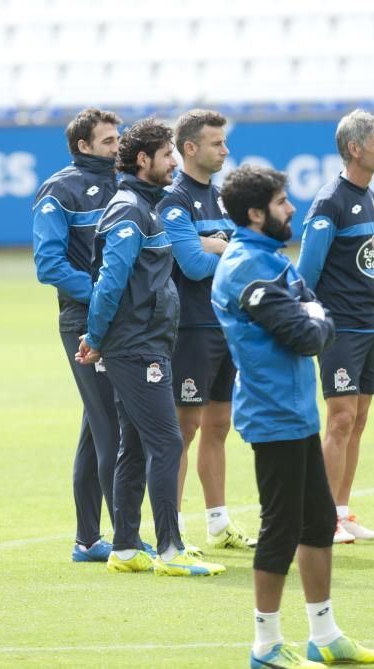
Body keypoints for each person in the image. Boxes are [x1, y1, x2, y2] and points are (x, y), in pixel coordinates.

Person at [212, 165, 374, 669]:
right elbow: (308, 334)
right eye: (284, 202)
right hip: (271, 416)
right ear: (256, 213)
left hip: (296, 412)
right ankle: (265, 645)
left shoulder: (272, 261)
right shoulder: (247, 267)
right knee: (281, 528)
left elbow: (316, 313)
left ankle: (324, 635)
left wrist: (314, 315)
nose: (292, 209)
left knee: (316, 523)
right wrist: (313, 316)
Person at [75, 118, 224, 577]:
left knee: (136, 445)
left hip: (147, 341)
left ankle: (123, 547)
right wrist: (96, 338)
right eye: (167, 156)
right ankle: (169, 549)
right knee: (167, 441)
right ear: (144, 160)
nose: (175, 163)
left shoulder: (146, 206)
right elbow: (110, 282)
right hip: (136, 346)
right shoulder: (129, 210)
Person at [157, 109, 255, 554]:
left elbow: (244, 259)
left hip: (225, 324)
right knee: (184, 426)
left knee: (219, 423)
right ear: (190, 148)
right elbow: (192, 265)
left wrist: (218, 247)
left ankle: (218, 523)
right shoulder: (173, 200)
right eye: (217, 143)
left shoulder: (222, 199)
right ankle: (171, 529)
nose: (225, 150)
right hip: (191, 327)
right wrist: (220, 250)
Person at [32, 107, 122, 563]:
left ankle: (88, 540)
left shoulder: (124, 183)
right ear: (83, 146)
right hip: (85, 320)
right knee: (112, 426)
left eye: (118, 139)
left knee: (97, 425)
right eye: (108, 141)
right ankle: (126, 539)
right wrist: (105, 292)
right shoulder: (59, 189)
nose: (117, 147)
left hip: (121, 319)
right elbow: (48, 265)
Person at [296, 109, 374, 544]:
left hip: (370, 326)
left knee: (360, 419)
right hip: (340, 329)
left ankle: (341, 511)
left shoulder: (369, 196)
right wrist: (306, 321)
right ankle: (321, 517)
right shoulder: (330, 202)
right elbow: (306, 272)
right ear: (355, 148)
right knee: (340, 419)